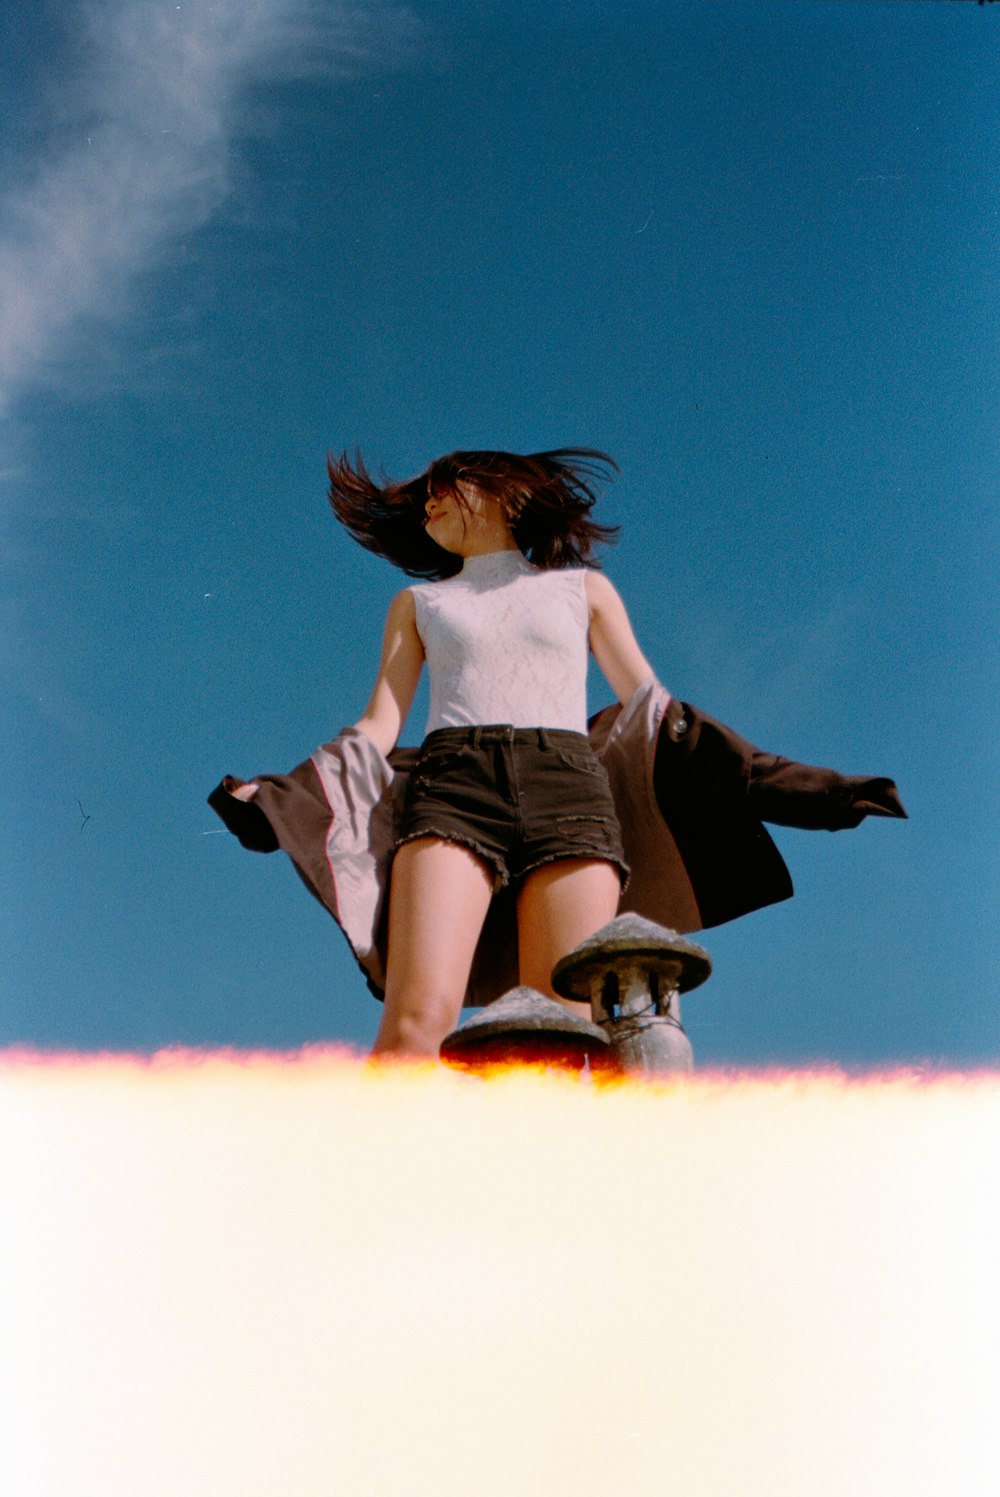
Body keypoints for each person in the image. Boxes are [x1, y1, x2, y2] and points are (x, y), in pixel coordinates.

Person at [211, 446, 907, 1061]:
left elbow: (659, 714)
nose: (428, 505)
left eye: (444, 488)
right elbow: (376, 727)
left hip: (569, 791)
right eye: (423, 500)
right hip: (453, 789)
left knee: (568, 1032)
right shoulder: (419, 603)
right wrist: (282, 794)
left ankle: (556, 1198)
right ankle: (368, 1197)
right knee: (416, 1023)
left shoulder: (583, 590)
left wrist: (799, 787)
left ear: (508, 495)